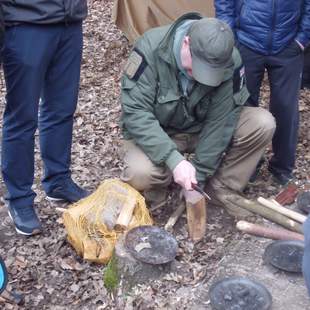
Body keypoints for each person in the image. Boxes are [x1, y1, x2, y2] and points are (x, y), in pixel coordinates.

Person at [119, 12, 276, 216]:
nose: (204, 79)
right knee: (139, 172)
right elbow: (136, 114)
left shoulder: (228, 60)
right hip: (161, 132)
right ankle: (156, 189)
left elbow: (221, 120)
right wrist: (174, 160)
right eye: (198, 69)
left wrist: (199, 175)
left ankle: (220, 188)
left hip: (199, 129)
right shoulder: (151, 48)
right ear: (186, 43)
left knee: (262, 123)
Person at [1, 0, 89, 236]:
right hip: (26, 24)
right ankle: (20, 199)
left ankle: (58, 181)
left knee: (61, 109)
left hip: (70, 22)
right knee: (22, 117)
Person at [215, 0, 310, 185]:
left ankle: (282, 168)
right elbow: (224, 3)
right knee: (244, 107)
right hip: (247, 42)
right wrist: (232, 37)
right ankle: (247, 164)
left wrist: (302, 38)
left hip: (288, 44)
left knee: (285, 107)